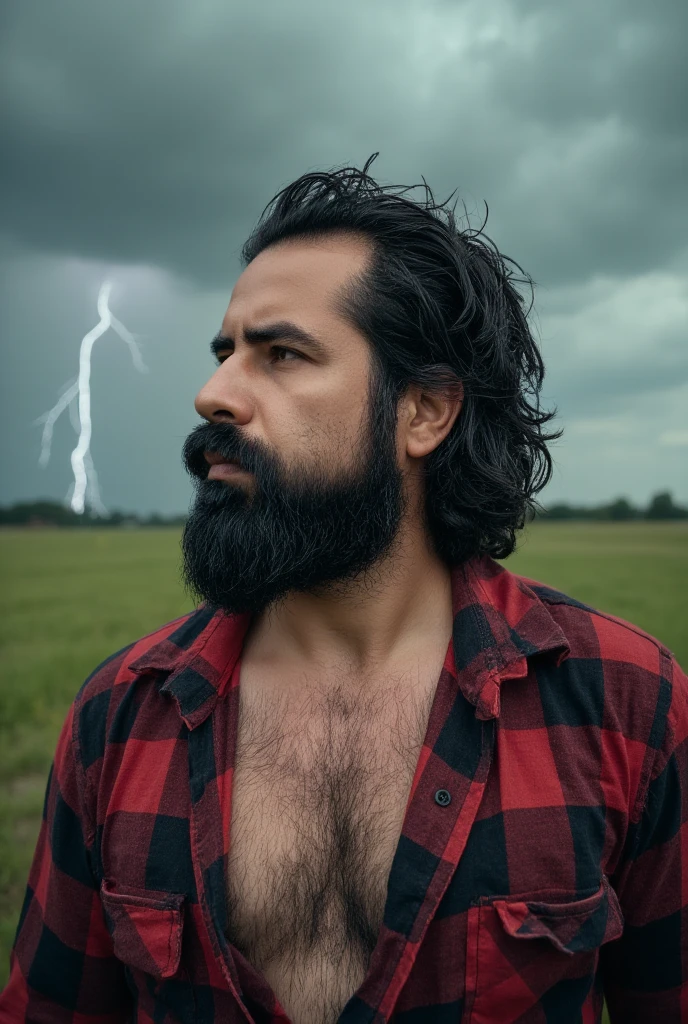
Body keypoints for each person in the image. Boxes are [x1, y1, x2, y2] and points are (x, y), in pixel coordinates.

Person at [1, 155, 686, 1024]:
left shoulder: (626, 703)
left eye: (281, 354)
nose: (213, 394)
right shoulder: (121, 717)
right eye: (224, 354)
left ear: (425, 412)